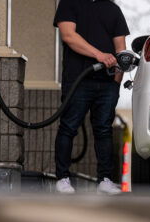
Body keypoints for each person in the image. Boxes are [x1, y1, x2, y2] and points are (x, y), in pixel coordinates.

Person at [54, 0, 130, 194]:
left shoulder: (113, 9)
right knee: (69, 127)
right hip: (78, 80)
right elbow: (68, 35)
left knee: (104, 130)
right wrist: (99, 55)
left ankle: (104, 180)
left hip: (107, 83)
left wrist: (116, 81)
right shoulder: (69, 4)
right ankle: (62, 178)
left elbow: (121, 47)